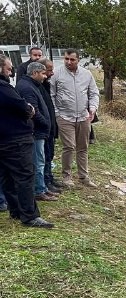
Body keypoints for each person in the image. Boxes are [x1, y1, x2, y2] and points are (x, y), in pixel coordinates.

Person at [0, 54, 53, 228]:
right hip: (15, 140)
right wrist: (28, 109)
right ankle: (29, 215)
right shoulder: (4, 88)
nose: (10, 72)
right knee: (24, 176)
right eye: (8, 69)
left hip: (6, 139)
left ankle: (16, 211)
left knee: (7, 178)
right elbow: (25, 107)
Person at [50, 48, 100, 188]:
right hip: (65, 116)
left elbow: (94, 93)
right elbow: (51, 95)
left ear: (78, 60)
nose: (69, 62)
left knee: (83, 147)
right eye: (66, 59)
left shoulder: (86, 74)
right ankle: (66, 176)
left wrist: (93, 108)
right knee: (69, 146)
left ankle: (84, 176)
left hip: (84, 117)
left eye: (72, 59)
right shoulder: (57, 74)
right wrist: (57, 113)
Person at [15, 61, 56, 202]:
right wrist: (45, 123)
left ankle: (42, 187)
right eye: (43, 73)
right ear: (34, 73)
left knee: (41, 160)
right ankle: (39, 190)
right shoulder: (27, 87)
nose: (45, 76)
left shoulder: (33, 85)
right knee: (38, 162)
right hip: (36, 131)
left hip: (39, 131)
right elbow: (33, 110)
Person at [39, 59, 63, 194]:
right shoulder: (37, 87)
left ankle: (49, 179)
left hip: (50, 127)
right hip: (43, 129)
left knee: (49, 155)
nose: (52, 73)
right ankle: (44, 183)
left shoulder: (46, 85)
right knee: (44, 157)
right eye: (49, 70)